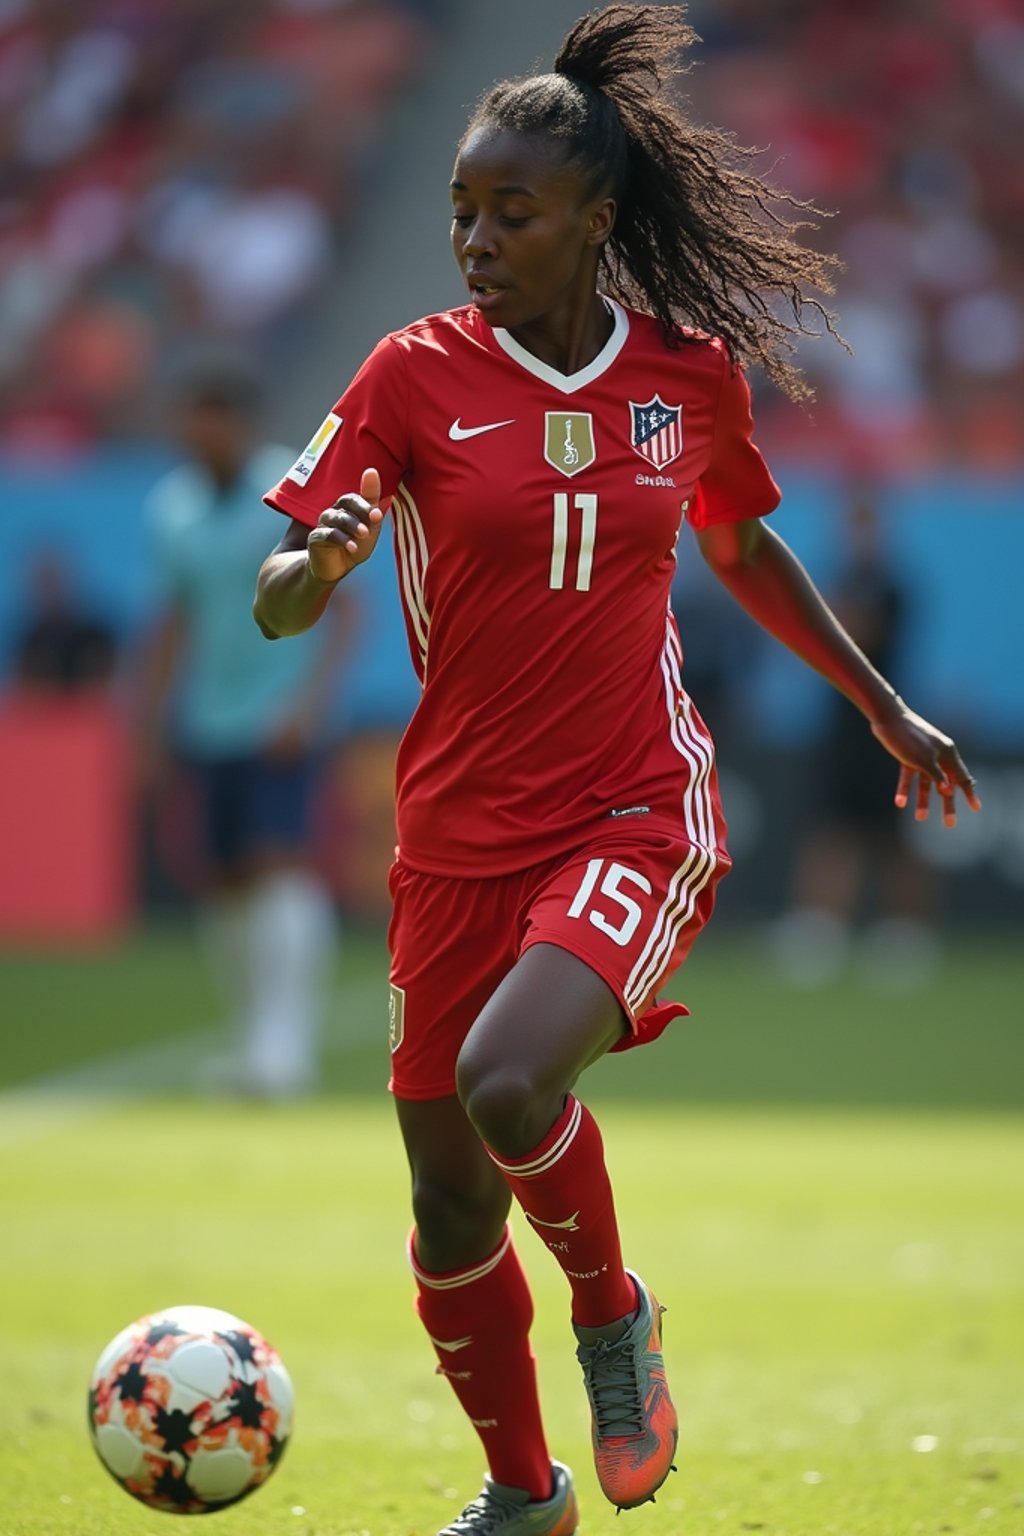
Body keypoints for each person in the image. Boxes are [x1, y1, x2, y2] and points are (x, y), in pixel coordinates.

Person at [253, 7, 980, 1532]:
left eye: (510, 211)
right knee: (448, 1198)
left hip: (633, 803)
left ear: (596, 218)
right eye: (459, 208)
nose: (473, 237)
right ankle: (525, 1495)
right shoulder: (411, 375)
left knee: (510, 1083)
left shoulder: (687, 379)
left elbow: (740, 540)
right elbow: (282, 580)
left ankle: (611, 1316)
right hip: (455, 832)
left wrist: (879, 701)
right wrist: (308, 575)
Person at [141, 352, 347, 1100]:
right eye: (190, 415)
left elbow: (345, 605)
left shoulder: (288, 487)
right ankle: (252, 1040)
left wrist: (310, 705)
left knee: (276, 863)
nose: (200, 431)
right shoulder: (171, 509)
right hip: (209, 717)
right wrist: (153, 723)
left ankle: (285, 1050)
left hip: (279, 715)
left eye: (213, 414)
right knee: (225, 878)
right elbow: (172, 623)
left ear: (238, 421)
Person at [770, 489, 939, 989]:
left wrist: (827, 616)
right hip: (842, 725)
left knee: (894, 833)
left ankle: (905, 933)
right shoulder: (839, 581)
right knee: (833, 826)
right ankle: (820, 929)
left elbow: (853, 635)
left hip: (887, 722)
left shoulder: (893, 587)